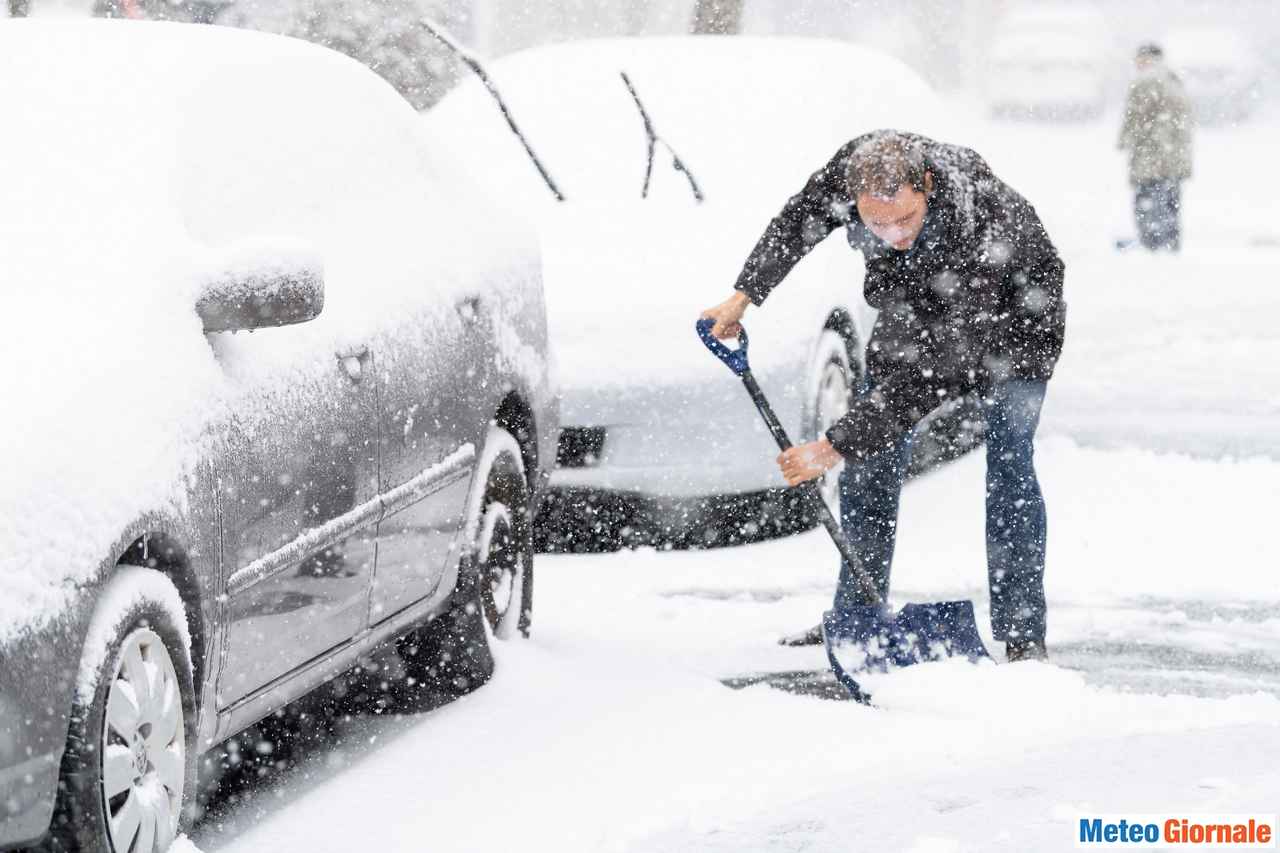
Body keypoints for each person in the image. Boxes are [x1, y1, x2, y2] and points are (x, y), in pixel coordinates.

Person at [700, 131, 1065, 662]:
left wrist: (831, 446)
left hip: (1017, 321)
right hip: (917, 302)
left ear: (928, 188)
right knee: (870, 459)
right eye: (877, 223)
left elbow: (932, 375)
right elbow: (797, 223)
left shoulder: (981, 228)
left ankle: (1023, 633)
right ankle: (858, 614)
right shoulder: (851, 172)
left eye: (904, 220)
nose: (892, 233)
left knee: (1009, 462)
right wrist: (744, 295)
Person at [1118, 43, 1193, 252]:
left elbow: (1134, 120)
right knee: (1170, 206)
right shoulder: (1173, 79)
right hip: (1174, 158)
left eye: (1140, 59)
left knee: (1148, 205)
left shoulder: (1145, 81)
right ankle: (1170, 245)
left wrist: (1125, 140)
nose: (1138, 64)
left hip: (1152, 159)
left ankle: (1152, 247)